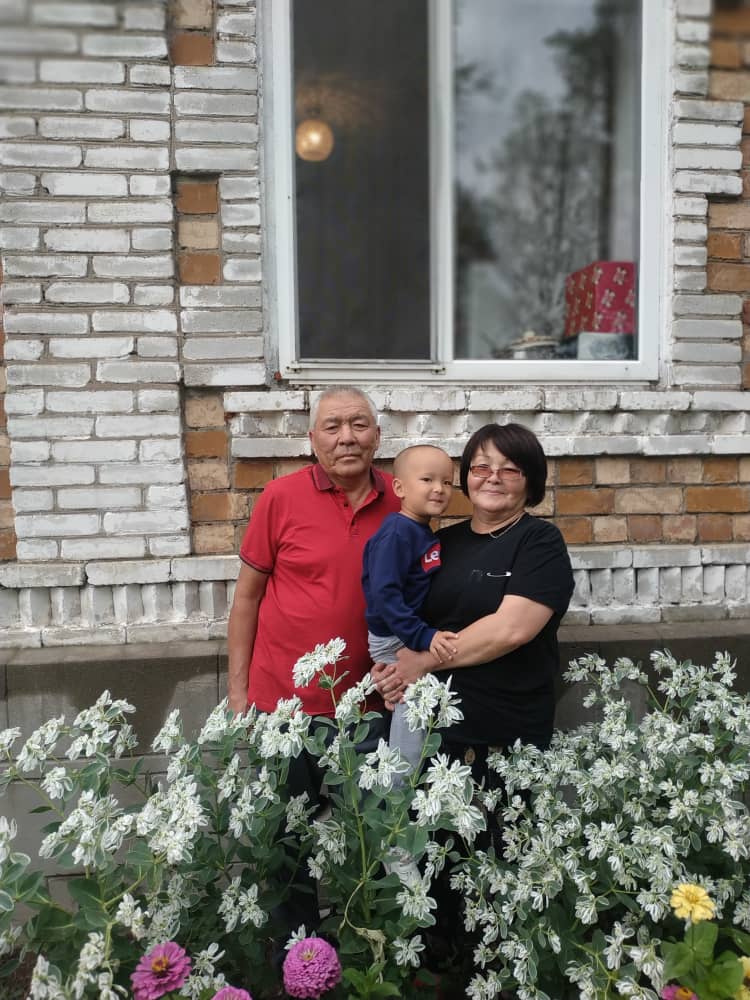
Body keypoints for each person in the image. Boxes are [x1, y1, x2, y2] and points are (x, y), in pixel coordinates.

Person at [226, 386, 401, 933]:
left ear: (377, 435)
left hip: (369, 707)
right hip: (284, 705)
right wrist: (238, 695)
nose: (347, 437)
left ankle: (366, 944)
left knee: (371, 833)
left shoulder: (403, 501)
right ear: (312, 439)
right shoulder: (280, 497)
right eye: (333, 426)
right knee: (285, 838)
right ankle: (295, 953)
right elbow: (247, 599)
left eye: (359, 424)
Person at [373, 421, 574, 777]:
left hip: (502, 736)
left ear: (530, 481)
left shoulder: (539, 542)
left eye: (509, 470)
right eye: (481, 467)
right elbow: (408, 611)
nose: (493, 478)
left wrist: (421, 663)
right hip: (435, 735)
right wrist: (392, 671)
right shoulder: (440, 542)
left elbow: (510, 629)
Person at [361, 444, 458, 777]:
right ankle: (401, 786)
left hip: (407, 633)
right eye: (427, 479)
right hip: (395, 637)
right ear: (399, 488)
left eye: (447, 482)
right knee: (412, 710)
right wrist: (422, 636)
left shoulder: (419, 530)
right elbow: (385, 595)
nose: (439, 488)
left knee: (416, 708)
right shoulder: (396, 533)